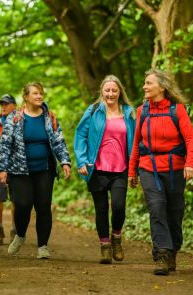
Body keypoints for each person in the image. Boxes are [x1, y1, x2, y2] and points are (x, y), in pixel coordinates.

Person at [128, 69, 193, 275]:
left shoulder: (178, 110)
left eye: (149, 83)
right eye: (144, 83)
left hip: (175, 168)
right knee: (156, 207)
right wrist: (132, 171)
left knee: (174, 212)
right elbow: (136, 142)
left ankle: (173, 249)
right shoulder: (143, 110)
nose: (144, 87)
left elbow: (190, 139)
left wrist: (190, 163)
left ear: (162, 87)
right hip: (149, 168)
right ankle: (161, 254)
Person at [0, 82, 71, 259]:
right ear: (26, 97)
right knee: (22, 204)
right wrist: (2, 169)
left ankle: (43, 246)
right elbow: (5, 144)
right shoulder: (15, 118)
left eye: (41, 94)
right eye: (35, 93)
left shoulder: (49, 117)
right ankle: (20, 234)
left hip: (44, 169)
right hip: (20, 170)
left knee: (43, 206)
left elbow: (59, 141)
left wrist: (65, 161)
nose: (39, 96)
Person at [74, 75, 136, 264]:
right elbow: (81, 135)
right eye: (107, 90)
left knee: (119, 206)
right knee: (101, 209)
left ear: (119, 92)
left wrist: (136, 168)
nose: (110, 93)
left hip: (121, 168)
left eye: (114, 90)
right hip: (97, 168)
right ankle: (105, 246)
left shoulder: (129, 112)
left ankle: (116, 237)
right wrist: (82, 161)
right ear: (102, 91)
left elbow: (136, 140)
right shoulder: (93, 111)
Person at [0, 94, 17, 245]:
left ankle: (15, 229)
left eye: (6, 103)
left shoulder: (20, 120)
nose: (3, 106)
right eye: (1, 104)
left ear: (14, 105)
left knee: (17, 199)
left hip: (16, 166)